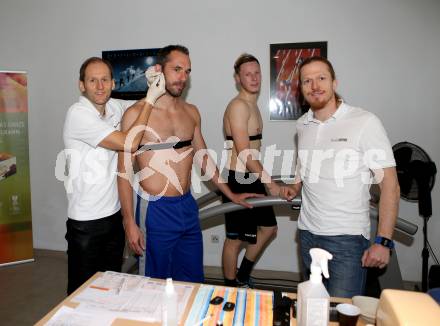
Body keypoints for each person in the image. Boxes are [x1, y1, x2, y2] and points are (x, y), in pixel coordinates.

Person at [117, 45, 260, 283]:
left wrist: (231, 194)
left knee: (192, 280)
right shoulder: (136, 113)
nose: (183, 77)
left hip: (187, 206)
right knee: (154, 283)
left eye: (187, 71)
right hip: (155, 209)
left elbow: (203, 157)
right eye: (177, 69)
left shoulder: (191, 112)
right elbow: (124, 172)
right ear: (158, 70)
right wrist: (129, 221)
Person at [280, 56, 400, 298]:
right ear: (301, 90)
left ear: (334, 83)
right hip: (307, 234)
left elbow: (390, 186)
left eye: (321, 78)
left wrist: (384, 241)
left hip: (347, 239)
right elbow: (305, 162)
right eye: (307, 81)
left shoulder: (364, 122)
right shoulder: (303, 124)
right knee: (312, 307)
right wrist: (295, 184)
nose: (315, 86)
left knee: (339, 313)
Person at [63, 56, 165, 294]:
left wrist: (152, 85)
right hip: (85, 223)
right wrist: (150, 98)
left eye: (105, 80)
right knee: (82, 294)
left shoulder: (114, 107)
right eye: (93, 80)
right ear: (82, 85)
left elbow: (140, 108)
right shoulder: (78, 114)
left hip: (113, 217)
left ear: (113, 83)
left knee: (110, 289)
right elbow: (129, 143)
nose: (100, 86)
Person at [221, 53, 280, 288]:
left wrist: (264, 179)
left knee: (269, 229)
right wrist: (270, 182)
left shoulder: (251, 105)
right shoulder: (238, 107)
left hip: (251, 176)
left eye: (257, 73)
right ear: (238, 78)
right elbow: (245, 153)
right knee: (235, 240)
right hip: (240, 178)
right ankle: (231, 286)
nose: (254, 78)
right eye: (248, 74)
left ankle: (243, 275)